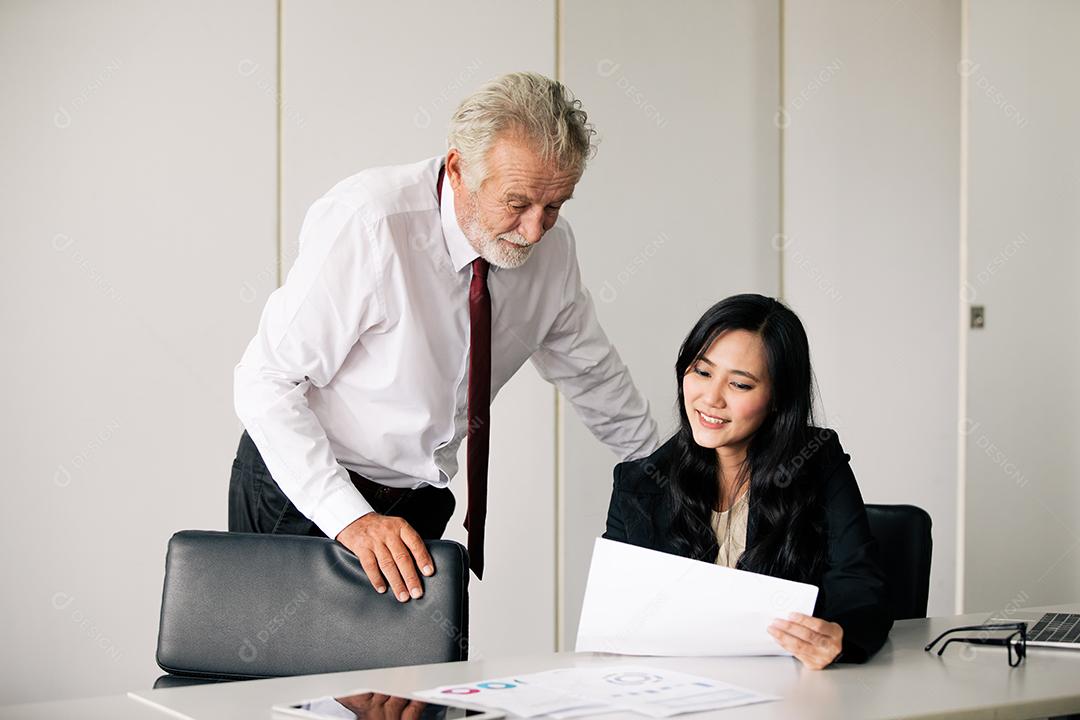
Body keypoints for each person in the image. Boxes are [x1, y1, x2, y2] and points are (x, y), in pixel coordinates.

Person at [230, 72, 659, 604]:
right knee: (280, 658)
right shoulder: (371, 222)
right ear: (458, 170)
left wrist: (676, 475)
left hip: (417, 505)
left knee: (407, 662)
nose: (534, 231)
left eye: (554, 206)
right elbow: (266, 381)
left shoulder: (552, 251)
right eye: (517, 203)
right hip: (304, 492)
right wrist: (351, 519)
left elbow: (594, 376)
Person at [603, 294, 892, 668]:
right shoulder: (638, 484)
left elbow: (861, 590)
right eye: (702, 372)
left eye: (739, 385)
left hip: (789, 689)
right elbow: (615, 614)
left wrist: (838, 638)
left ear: (778, 397)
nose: (711, 398)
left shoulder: (817, 462)